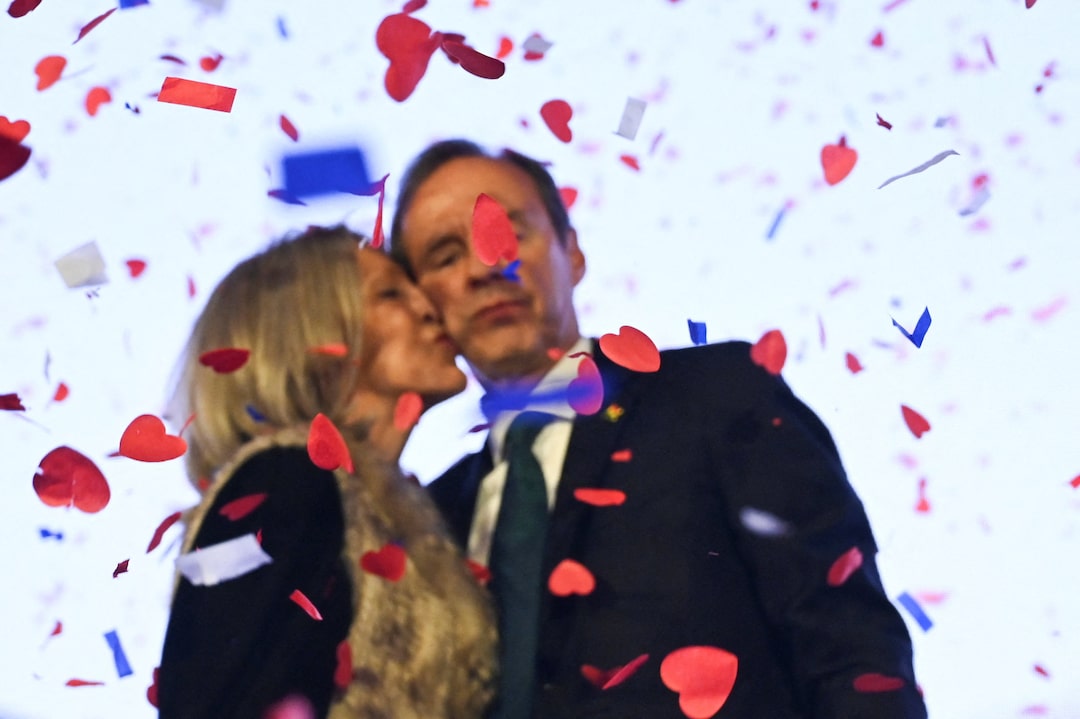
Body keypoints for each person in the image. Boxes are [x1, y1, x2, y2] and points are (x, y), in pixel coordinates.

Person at [389, 139, 929, 718]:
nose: (485, 266)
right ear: (421, 306)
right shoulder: (429, 518)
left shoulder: (716, 396)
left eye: (509, 230)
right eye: (445, 256)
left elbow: (848, 645)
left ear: (573, 252)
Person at [157, 226, 496, 719]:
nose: (429, 307)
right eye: (391, 294)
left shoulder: (397, 518)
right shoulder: (283, 479)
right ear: (310, 332)